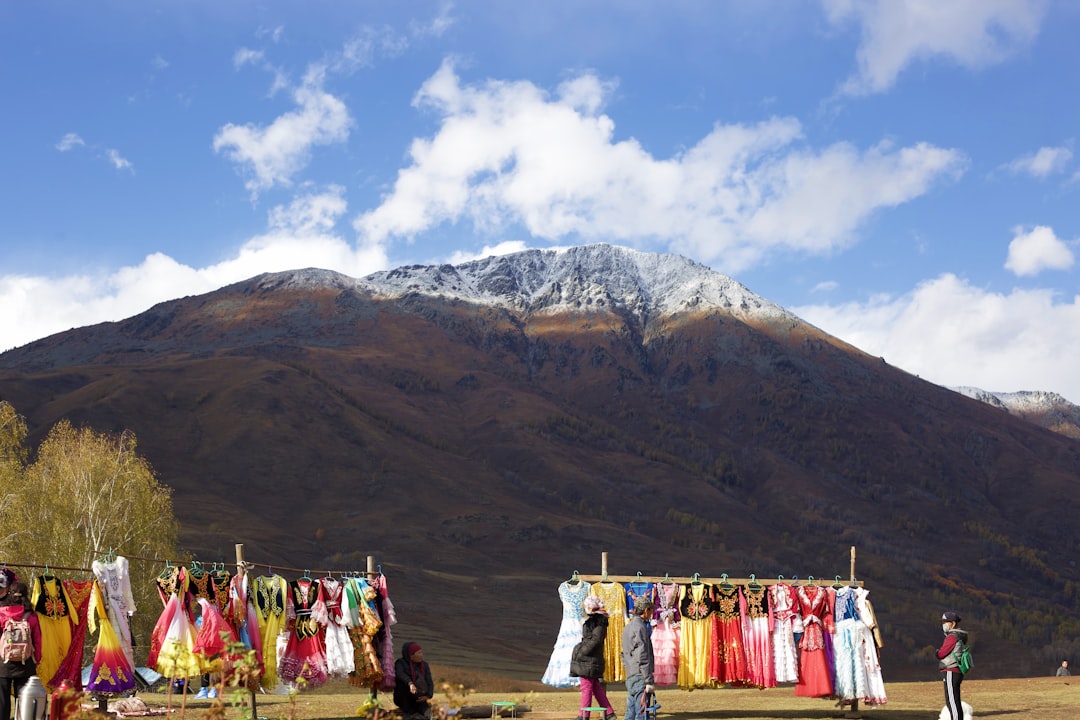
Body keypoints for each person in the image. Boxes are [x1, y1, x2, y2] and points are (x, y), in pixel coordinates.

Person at [0, 581, 43, 720]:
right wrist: (37, 658)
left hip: (3, 663)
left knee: (2, 701)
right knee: (25, 700)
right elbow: (38, 640)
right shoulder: (31, 616)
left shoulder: (1, 613)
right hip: (25, 662)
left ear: (9, 594)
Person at [570, 596, 617, 720]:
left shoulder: (598, 623)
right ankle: (609, 713)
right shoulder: (596, 622)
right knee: (595, 687)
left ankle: (583, 715)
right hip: (592, 659)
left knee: (586, 687)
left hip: (589, 659)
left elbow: (595, 640)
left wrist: (582, 652)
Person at [621, 597, 655, 720]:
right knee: (641, 711)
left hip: (630, 672)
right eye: (651, 610)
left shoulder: (628, 627)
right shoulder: (641, 628)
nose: (651, 614)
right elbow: (643, 655)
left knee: (630, 710)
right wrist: (648, 680)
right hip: (640, 674)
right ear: (646, 610)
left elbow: (624, 652)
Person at [936, 611, 968, 720]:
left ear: (953, 623)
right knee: (955, 701)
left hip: (950, 671)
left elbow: (942, 653)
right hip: (956, 671)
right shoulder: (959, 636)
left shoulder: (952, 637)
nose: (943, 624)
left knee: (952, 702)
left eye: (945, 622)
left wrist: (937, 652)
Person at [393, 642, 434, 720]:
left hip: (420, 698)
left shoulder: (424, 665)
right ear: (411, 655)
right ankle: (409, 714)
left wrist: (428, 696)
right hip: (404, 698)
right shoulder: (400, 663)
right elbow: (400, 674)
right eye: (419, 653)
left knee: (428, 714)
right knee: (401, 684)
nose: (421, 655)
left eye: (421, 652)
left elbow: (429, 682)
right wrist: (410, 683)